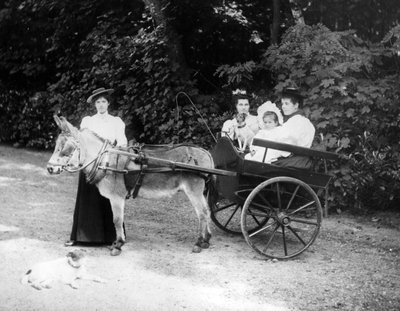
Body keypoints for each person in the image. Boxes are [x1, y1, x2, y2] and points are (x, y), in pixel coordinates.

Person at [65, 87, 128, 246]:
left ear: (108, 103)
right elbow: (81, 141)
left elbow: (122, 143)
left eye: (103, 101)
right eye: (98, 102)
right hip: (89, 164)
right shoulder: (88, 121)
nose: (101, 105)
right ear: (94, 104)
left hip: (108, 164)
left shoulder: (116, 122)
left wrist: (111, 152)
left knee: (110, 198)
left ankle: (111, 236)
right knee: (88, 198)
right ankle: (83, 236)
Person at [272, 87, 316, 168]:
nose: (283, 107)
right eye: (282, 104)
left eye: (287, 104)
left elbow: (286, 142)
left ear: (296, 105)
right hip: (298, 160)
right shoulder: (298, 120)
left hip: (295, 161)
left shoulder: (297, 121)